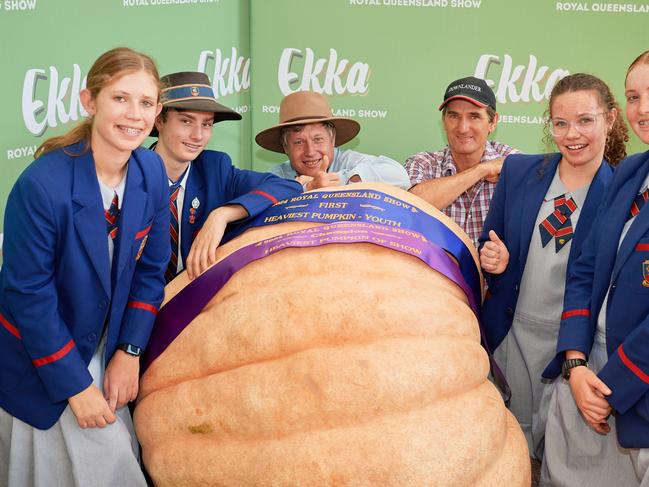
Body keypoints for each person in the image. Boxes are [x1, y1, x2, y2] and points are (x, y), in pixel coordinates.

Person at [0, 47, 169, 486]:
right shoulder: (40, 187)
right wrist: (76, 387)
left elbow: (151, 272)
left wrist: (128, 352)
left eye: (146, 103)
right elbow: (28, 298)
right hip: (44, 360)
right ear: (89, 102)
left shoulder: (151, 171)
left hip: (107, 347)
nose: (134, 114)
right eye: (120, 98)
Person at [479, 73, 628, 462]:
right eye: (560, 123)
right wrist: (494, 259)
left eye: (585, 120)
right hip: (509, 336)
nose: (571, 134)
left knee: (556, 455)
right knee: (503, 449)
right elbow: (489, 242)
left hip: (572, 348)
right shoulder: (519, 172)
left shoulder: (623, 194)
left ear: (610, 119)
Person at [541, 51, 649, 487]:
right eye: (634, 96)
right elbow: (586, 268)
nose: (642, 109)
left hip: (633, 384)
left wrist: (612, 386)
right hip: (590, 369)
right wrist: (575, 361)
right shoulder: (630, 173)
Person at [151, 72, 303, 281]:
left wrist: (222, 214)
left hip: (190, 304)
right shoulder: (131, 173)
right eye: (186, 121)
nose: (198, 135)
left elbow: (288, 186)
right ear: (159, 121)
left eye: (207, 124)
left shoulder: (215, 168)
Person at [405, 76, 520, 248]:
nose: (463, 128)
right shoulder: (422, 163)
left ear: (493, 122)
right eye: (454, 116)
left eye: (474, 116)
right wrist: (481, 170)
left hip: (496, 274)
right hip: (435, 274)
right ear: (444, 121)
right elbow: (409, 205)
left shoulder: (516, 163)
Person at [255, 90, 410, 191]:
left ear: (332, 139)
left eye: (318, 139)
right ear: (285, 147)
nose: (310, 151)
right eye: (298, 142)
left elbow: (400, 177)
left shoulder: (348, 161)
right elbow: (258, 197)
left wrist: (341, 180)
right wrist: (306, 187)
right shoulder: (278, 175)